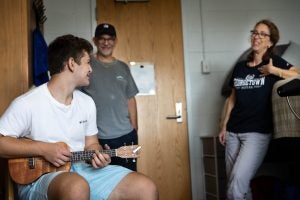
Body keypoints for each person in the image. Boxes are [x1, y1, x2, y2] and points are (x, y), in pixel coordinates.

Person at [0, 34, 158, 200]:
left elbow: (91, 143)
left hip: (81, 169)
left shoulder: (87, 103)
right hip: (38, 179)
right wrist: (43, 149)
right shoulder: (27, 103)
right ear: (71, 64)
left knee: (146, 188)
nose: (91, 69)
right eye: (88, 62)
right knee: (76, 187)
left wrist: (96, 155)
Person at [218, 19, 299, 200]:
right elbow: (232, 99)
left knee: (236, 184)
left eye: (263, 34)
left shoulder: (273, 62)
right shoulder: (240, 68)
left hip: (257, 133)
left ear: (270, 42)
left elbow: (298, 75)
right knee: (237, 183)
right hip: (233, 131)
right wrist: (223, 126)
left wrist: (273, 71)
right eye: (255, 33)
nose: (257, 37)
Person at [82, 23, 139, 171]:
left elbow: (130, 98)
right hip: (96, 138)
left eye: (110, 39)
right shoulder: (87, 65)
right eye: (102, 39)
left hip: (126, 135)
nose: (106, 43)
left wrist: (134, 128)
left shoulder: (123, 67)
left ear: (115, 41)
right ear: (95, 41)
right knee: (101, 182)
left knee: (130, 179)